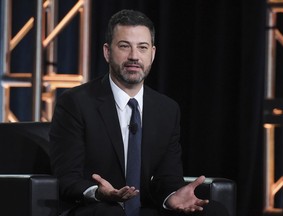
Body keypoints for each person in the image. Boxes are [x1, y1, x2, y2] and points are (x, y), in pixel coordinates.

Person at [50, 9, 209, 216]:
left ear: (152, 53)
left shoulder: (167, 110)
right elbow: (67, 179)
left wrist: (173, 196)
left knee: (212, 210)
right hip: (92, 208)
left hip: (144, 209)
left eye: (142, 48)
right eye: (124, 46)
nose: (134, 56)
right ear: (107, 52)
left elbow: (167, 178)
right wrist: (98, 193)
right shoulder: (75, 103)